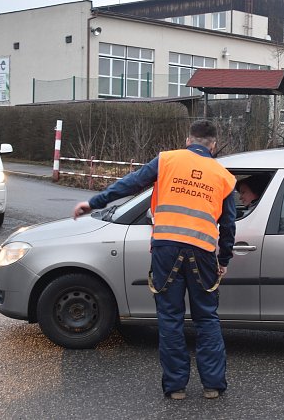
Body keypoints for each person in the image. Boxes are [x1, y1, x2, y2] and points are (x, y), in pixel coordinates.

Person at [73, 120, 236, 401]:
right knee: (207, 318)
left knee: (170, 318)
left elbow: (131, 184)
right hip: (202, 253)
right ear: (213, 144)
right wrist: (223, 258)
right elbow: (229, 225)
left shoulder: (167, 160)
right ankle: (212, 386)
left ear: (188, 140)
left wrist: (95, 202)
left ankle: (176, 388)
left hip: (167, 250)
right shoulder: (224, 176)